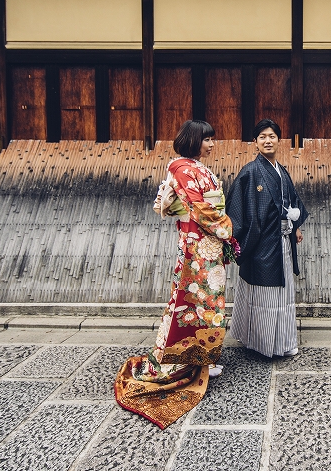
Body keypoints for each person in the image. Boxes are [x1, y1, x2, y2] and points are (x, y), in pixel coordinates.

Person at [115, 119, 239, 429]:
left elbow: (176, 205)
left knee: (201, 302)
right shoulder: (184, 169)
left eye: (212, 139)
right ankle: (196, 363)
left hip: (202, 241)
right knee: (200, 302)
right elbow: (199, 208)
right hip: (199, 243)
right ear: (193, 140)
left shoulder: (191, 167)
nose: (211, 144)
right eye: (207, 139)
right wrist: (227, 229)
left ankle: (200, 359)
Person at [226, 118, 309, 358]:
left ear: (279, 140)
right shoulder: (251, 171)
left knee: (282, 294)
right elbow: (237, 208)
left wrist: (295, 228)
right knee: (263, 294)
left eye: (272, 136)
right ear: (255, 142)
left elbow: (291, 201)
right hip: (261, 244)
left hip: (282, 240)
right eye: (262, 137)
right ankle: (262, 343)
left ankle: (283, 340)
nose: (267, 140)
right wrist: (238, 240)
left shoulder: (281, 171)